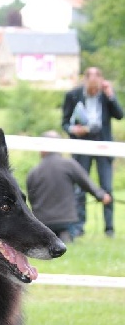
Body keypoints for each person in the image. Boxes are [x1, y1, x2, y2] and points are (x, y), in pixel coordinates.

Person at [62, 66, 123, 237]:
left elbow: (119, 115)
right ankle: (79, 227)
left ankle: (109, 228)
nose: (95, 90)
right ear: (86, 81)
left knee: (107, 187)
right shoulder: (73, 95)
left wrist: (111, 96)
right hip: (82, 145)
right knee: (81, 187)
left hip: (103, 145)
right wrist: (74, 130)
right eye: (92, 87)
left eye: (98, 87)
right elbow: (65, 123)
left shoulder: (105, 95)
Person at [26, 131, 111, 244]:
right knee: (65, 244)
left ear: (42, 149)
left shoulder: (33, 173)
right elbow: (86, 183)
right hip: (66, 222)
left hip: (43, 223)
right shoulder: (69, 164)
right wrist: (102, 196)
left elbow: (32, 199)